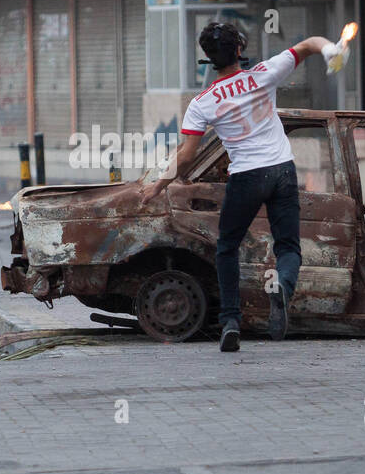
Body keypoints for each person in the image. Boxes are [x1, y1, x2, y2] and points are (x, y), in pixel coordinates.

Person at [141, 22, 346, 352]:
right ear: (239, 50)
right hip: (281, 171)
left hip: (246, 178)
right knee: (288, 247)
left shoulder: (202, 103)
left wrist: (157, 184)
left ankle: (231, 321)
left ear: (208, 57)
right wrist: (331, 50)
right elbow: (308, 43)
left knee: (226, 247)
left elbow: (187, 154)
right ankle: (282, 286)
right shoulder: (264, 74)